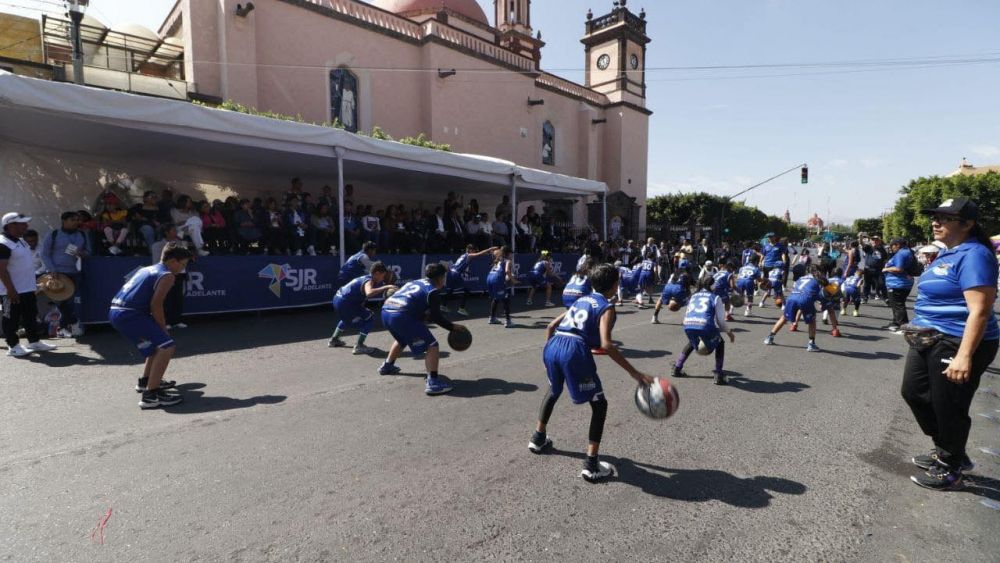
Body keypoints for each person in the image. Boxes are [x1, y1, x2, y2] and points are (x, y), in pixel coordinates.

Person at [900, 197, 999, 490]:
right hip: (929, 338)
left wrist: (964, 355)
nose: (936, 222)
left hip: (956, 340)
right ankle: (948, 447)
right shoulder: (948, 253)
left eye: (945, 218)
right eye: (935, 217)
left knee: (949, 405)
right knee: (914, 393)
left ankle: (951, 466)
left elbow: (980, 310)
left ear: (967, 224)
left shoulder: (975, 254)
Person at [526, 263, 654, 483]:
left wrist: (551, 356)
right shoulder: (606, 306)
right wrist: (635, 373)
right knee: (599, 404)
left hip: (554, 344)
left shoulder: (580, 300)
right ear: (615, 285)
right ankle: (591, 464)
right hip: (574, 350)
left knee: (554, 390)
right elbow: (607, 344)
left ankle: (538, 438)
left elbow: (550, 327)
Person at [109, 242, 193, 408]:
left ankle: (145, 382)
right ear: (173, 261)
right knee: (167, 346)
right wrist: (163, 328)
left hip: (117, 311)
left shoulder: (146, 269)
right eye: (182, 264)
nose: (183, 269)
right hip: (130, 314)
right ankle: (151, 396)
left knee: (157, 345)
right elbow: (156, 305)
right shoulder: (167, 275)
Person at [378, 263, 466, 396]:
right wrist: (453, 327)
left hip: (386, 312)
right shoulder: (433, 291)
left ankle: (387, 366)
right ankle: (433, 383)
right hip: (401, 315)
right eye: (444, 277)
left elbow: (419, 309)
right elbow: (437, 317)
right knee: (432, 345)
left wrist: (424, 317)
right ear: (441, 277)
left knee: (402, 339)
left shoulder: (416, 282)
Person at [1, 213, 58, 357]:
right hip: (10, 290)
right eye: (22, 223)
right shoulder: (3, 243)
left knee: (30, 317)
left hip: (27, 288)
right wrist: (10, 290)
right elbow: (1, 270)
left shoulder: (21, 241)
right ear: (10, 225)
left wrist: (34, 284)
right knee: (10, 319)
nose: (26, 226)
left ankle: (34, 342)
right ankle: (13, 346)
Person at [673, 276, 737, 385]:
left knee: (691, 344)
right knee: (720, 343)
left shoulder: (693, 296)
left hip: (688, 324)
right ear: (712, 286)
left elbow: (687, 314)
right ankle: (718, 374)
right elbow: (721, 322)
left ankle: (677, 368)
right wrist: (730, 334)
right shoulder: (715, 297)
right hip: (704, 325)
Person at [40, 211, 90, 338]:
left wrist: (80, 253)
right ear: (64, 221)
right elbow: (44, 253)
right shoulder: (54, 234)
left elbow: (89, 252)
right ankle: (72, 323)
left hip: (74, 272)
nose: (76, 222)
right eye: (72, 220)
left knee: (70, 301)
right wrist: (52, 269)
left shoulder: (83, 235)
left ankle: (63, 328)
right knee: (59, 301)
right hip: (57, 273)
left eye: (77, 220)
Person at [329, 261, 396, 354]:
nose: (383, 278)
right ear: (377, 273)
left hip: (338, 299)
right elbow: (369, 293)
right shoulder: (369, 281)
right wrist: (386, 286)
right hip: (345, 303)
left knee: (348, 317)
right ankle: (359, 346)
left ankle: (334, 340)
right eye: (383, 276)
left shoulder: (365, 278)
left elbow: (361, 297)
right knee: (370, 317)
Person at [763, 265, 827, 352]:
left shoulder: (801, 278)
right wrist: (824, 303)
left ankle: (770, 337)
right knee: (812, 321)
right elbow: (819, 295)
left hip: (792, 297)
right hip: (805, 298)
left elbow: (798, 289)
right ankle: (811, 344)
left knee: (784, 318)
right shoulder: (818, 280)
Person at [443, 245, 497, 315]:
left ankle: (443, 305)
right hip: (456, 274)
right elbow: (479, 254)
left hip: (451, 272)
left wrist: (464, 271)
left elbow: (458, 265)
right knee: (467, 290)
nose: (475, 252)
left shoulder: (463, 255)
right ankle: (461, 308)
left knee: (450, 290)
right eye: (474, 250)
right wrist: (490, 249)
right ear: (469, 249)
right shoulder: (469, 255)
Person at [883, 238, 917, 333]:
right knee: (896, 304)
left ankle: (903, 325)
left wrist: (886, 269)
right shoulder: (906, 252)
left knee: (898, 305)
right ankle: (896, 323)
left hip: (898, 283)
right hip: (899, 282)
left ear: (897, 245)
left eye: (892, 246)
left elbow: (899, 268)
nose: (891, 248)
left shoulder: (902, 253)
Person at [651, 259, 693, 324]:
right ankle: (686, 319)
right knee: (690, 301)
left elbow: (669, 281)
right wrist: (688, 296)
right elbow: (688, 288)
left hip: (668, 286)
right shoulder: (687, 274)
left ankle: (654, 317)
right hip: (678, 288)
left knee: (660, 300)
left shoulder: (674, 272)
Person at [487, 246, 515, 327]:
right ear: (508, 253)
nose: (512, 256)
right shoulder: (508, 260)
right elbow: (507, 271)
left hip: (489, 278)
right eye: (511, 254)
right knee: (506, 299)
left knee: (496, 298)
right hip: (497, 280)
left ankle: (492, 318)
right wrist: (513, 279)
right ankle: (508, 321)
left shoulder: (498, 259)